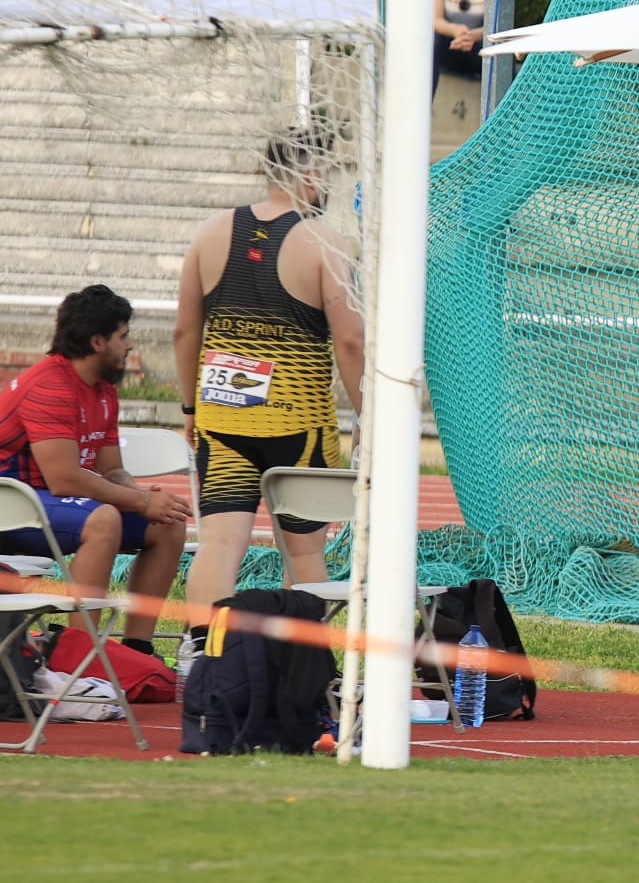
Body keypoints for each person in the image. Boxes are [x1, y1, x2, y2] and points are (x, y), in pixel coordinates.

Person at [172, 128, 366, 681]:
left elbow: (185, 331)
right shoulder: (324, 241)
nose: (328, 182)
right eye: (326, 172)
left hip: (222, 421)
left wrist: (190, 408)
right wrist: (368, 417)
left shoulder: (211, 233)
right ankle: (302, 667)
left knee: (220, 544)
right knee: (303, 554)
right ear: (310, 174)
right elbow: (350, 340)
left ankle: (200, 659)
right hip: (296, 428)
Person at [0, 286, 189, 653]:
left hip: (42, 504)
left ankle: (137, 651)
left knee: (169, 522)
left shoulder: (103, 388)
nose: (131, 345)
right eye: (124, 336)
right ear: (98, 341)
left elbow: (111, 470)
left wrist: (144, 497)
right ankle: (79, 654)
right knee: (103, 520)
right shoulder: (50, 385)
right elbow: (65, 478)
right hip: (10, 507)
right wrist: (137, 502)